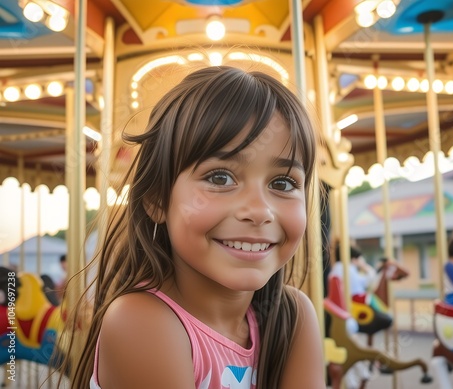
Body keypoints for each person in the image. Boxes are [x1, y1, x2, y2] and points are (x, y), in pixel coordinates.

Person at [61, 66, 325, 389]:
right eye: (220, 178)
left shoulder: (291, 318)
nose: (259, 211)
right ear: (157, 199)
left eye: (283, 182)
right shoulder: (141, 322)